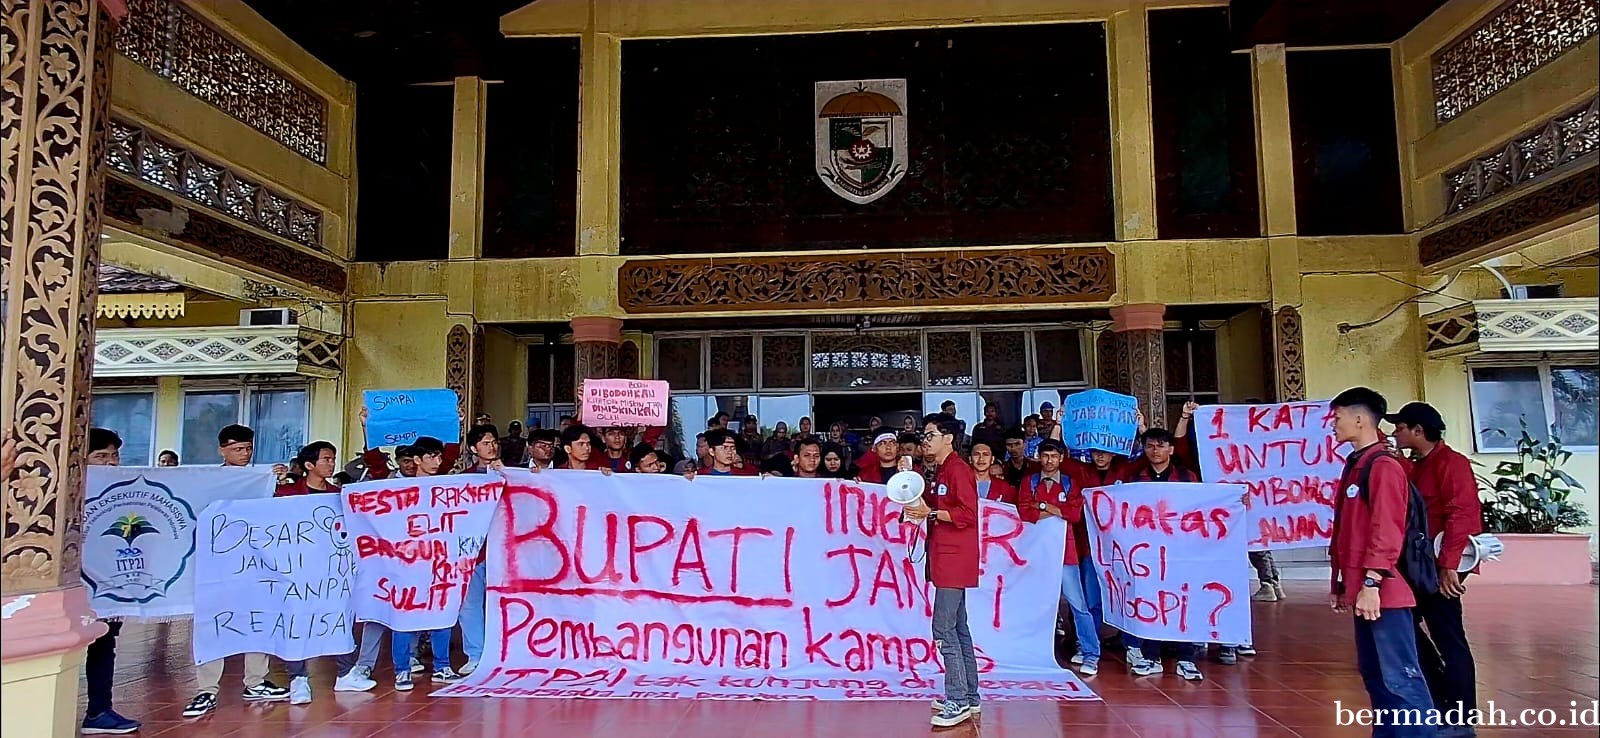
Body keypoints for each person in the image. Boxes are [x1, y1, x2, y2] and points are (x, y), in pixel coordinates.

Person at [1330, 388, 1436, 737]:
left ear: (1360, 419)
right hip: (1366, 591)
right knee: (1376, 676)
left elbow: (1387, 529)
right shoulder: (1357, 464)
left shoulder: (1383, 466)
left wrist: (1373, 582)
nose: (1334, 424)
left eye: (1338, 416)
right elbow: (1349, 530)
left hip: (1384, 592)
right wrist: (1343, 583)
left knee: (1400, 677)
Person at [184, 425, 291, 717]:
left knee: (258, 619)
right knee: (213, 623)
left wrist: (276, 481)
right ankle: (206, 689)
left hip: (255, 563)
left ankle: (255, 680)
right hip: (216, 566)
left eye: (247, 449)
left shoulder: (260, 480)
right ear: (222, 450)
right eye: (237, 449)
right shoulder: (209, 481)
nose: (243, 454)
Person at [1387, 401, 1480, 737]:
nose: (1395, 433)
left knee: (1449, 638)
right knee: (1407, 629)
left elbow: (1461, 515)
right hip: (1417, 562)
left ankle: (1460, 717)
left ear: (1418, 431)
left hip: (1439, 565)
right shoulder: (1420, 464)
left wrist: (1449, 566)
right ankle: (1440, 701)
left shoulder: (1452, 464)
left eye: (1400, 428)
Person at [275, 442, 373, 703]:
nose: (331, 464)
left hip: (332, 571)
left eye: (333, 459)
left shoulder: (338, 495)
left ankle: (345, 673)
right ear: (309, 465)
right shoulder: (286, 494)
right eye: (326, 460)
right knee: (297, 622)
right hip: (296, 571)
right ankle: (298, 679)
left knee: (339, 618)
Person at [903, 414, 980, 727]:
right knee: (959, 629)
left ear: (948, 438)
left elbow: (969, 513)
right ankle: (970, 696)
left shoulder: (959, 470)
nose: (926, 439)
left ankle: (957, 700)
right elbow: (929, 504)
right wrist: (909, 482)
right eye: (924, 435)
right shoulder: (941, 470)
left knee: (944, 630)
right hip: (945, 558)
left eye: (931, 434)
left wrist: (931, 512)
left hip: (954, 560)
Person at [1122, 427, 1208, 680]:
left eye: (1160, 445)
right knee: (1150, 602)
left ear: (1171, 449)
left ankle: (1186, 658)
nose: (1155, 450)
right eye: (1150, 446)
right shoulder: (1137, 480)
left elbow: (1203, 507)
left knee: (1182, 602)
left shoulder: (1187, 477)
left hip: (1181, 552)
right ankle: (1151, 656)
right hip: (1148, 554)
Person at [1015, 439, 1100, 676]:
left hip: (1066, 553)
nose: (1049, 460)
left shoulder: (1070, 483)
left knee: (1078, 604)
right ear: (1039, 458)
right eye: (1045, 456)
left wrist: (1042, 506)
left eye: (1054, 456)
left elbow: (1074, 514)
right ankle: (1031, 650)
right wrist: (1055, 510)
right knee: (1035, 603)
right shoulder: (1029, 482)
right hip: (1037, 554)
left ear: (1061, 458)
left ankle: (1091, 652)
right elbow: (1024, 511)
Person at [389, 436, 463, 691]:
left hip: (440, 560)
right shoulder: (401, 490)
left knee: (442, 611)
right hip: (409, 561)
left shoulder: (447, 488)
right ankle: (402, 669)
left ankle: (442, 666)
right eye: (431, 456)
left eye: (439, 457)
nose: (437, 461)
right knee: (405, 614)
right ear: (417, 460)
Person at [81, 429, 140, 735]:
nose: (111, 463)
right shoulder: (64, 491)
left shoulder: (122, 492)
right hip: (73, 584)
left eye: (114, 456)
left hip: (108, 584)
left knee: (104, 644)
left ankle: (99, 710)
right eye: (101, 456)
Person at [458, 425, 505, 675]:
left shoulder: (512, 475)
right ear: (474, 449)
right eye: (486, 443)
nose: (492, 446)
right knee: (470, 605)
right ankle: (475, 655)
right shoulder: (465, 478)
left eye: (494, 441)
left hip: (506, 553)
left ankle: (503, 653)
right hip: (475, 554)